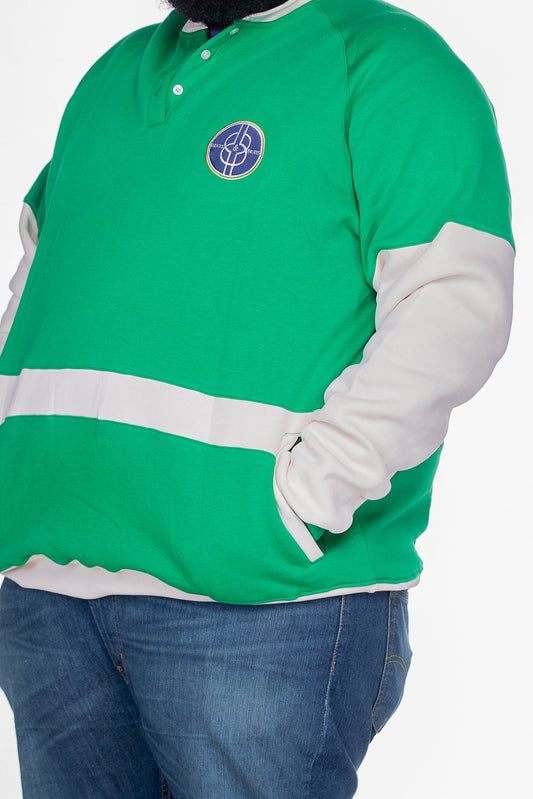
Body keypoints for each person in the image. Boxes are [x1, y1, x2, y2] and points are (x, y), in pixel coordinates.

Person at [0, 0, 514, 797]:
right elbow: (36, 284)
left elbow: (453, 309)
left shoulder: (387, 63)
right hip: (48, 590)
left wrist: (303, 499)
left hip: (262, 605)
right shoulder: (109, 76)